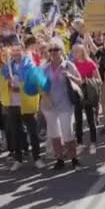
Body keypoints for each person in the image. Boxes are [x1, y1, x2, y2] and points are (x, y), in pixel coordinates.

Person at [1, 44, 43, 171]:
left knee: (33, 132)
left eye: (18, 51)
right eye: (13, 51)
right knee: (16, 132)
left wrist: (21, 88)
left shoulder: (30, 66)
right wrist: (8, 84)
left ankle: (37, 158)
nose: (16, 53)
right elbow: (2, 84)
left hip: (27, 104)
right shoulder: (7, 67)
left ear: (23, 51)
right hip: (13, 104)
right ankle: (18, 159)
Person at [41, 39, 82, 170]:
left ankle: (74, 158)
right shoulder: (45, 68)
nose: (53, 52)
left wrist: (70, 76)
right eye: (51, 50)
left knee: (67, 133)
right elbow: (40, 86)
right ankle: (59, 159)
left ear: (61, 51)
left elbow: (80, 81)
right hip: (50, 105)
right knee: (54, 134)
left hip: (65, 104)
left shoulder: (68, 65)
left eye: (56, 49)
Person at [72, 44, 101, 155]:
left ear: (83, 52)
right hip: (77, 93)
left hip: (88, 93)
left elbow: (98, 80)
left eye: (77, 51)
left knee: (90, 120)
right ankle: (79, 143)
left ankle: (93, 143)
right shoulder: (72, 64)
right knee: (78, 120)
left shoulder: (90, 64)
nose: (75, 54)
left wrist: (85, 81)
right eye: (73, 51)